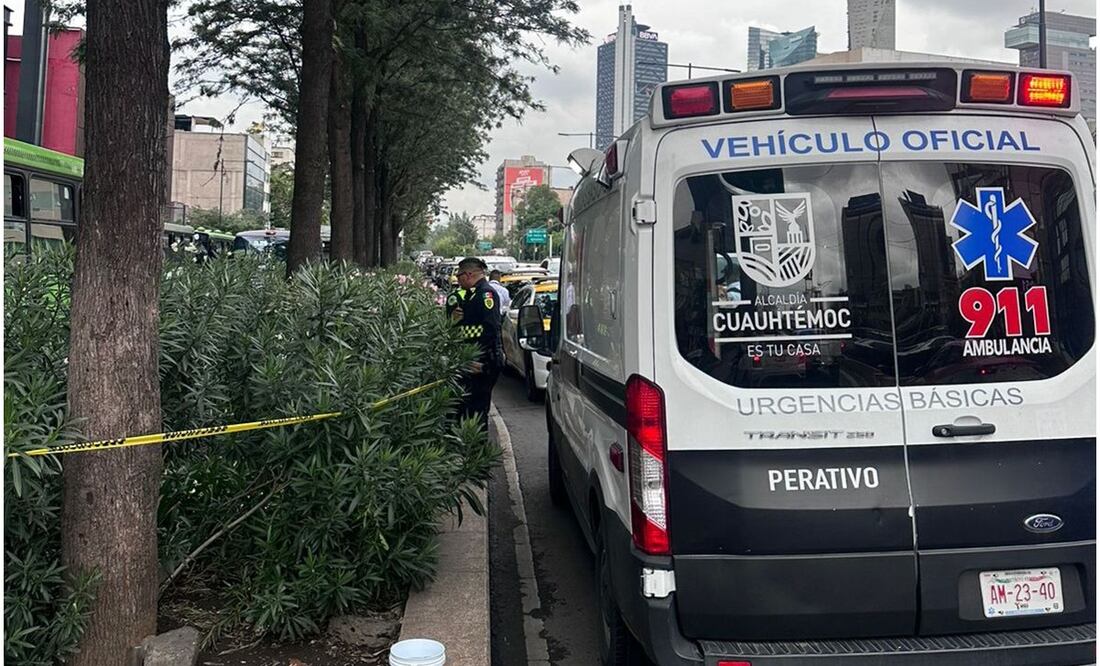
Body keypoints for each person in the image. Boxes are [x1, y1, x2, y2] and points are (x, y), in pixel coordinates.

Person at [445, 257, 504, 430]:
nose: (458, 280)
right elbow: (469, 328)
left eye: (460, 276)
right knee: (466, 409)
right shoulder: (471, 294)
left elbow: (491, 329)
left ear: (469, 274)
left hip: (481, 362)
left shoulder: (486, 294)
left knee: (477, 411)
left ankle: (477, 451)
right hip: (470, 361)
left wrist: (482, 361)